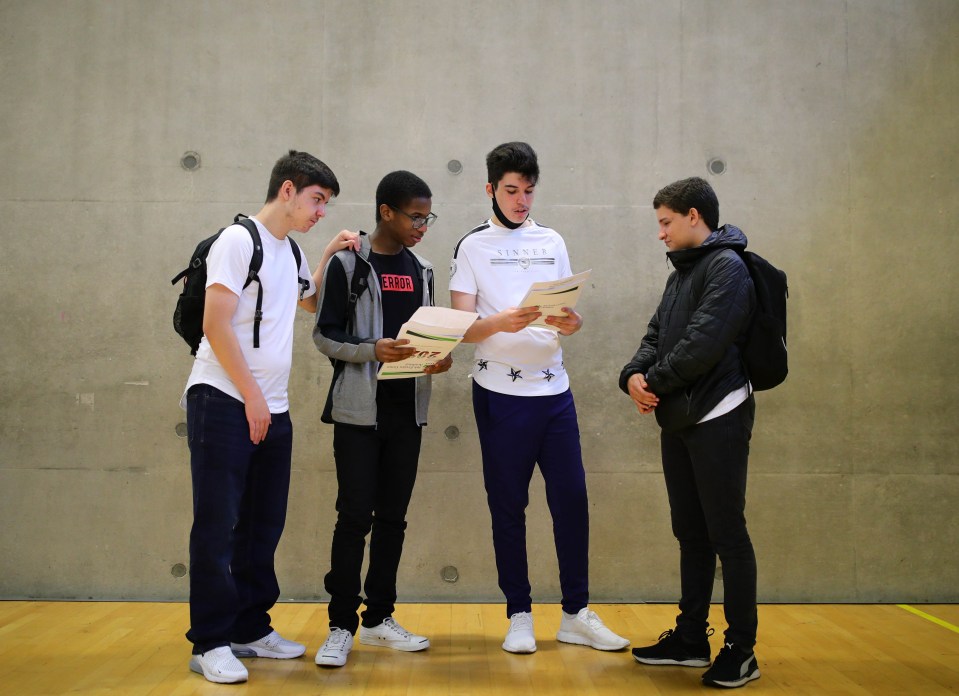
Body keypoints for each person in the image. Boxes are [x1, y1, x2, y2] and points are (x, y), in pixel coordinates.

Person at [181, 150, 356, 684]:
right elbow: (215, 323)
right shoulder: (239, 241)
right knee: (217, 525)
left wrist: (324, 253)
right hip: (223, 400)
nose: (320, 210)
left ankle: (249, 628)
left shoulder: (290, 250)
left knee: (262, 524)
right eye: (316, 200)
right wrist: (252, 396)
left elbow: (307, 302)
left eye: (325, 204)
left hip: (271, 408)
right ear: (287, 190)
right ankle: (209, 641)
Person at [449, 141, 629, 655]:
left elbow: (566, 315)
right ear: (490, 189)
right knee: (508, 506)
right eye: (511, 190)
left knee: (572, 500)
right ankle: (519, 614)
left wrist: (573, 322)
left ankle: (575, 613)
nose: (521, 200)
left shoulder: (552, 240)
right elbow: (462, 329)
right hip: (500, 394)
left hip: (555, 391)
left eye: (528, 191)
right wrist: (500, 322)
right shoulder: (472, 247)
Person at [619, 177, 760, 689]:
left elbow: (702, 346)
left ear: (694, 216)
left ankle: (742, 649)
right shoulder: (682, 271)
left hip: (718, 414)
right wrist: (632, 376)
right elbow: (656, 334)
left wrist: (650, 383)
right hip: (679, 417)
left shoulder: (727, 267)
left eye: (665, 222)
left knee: (728, 535)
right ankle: (690, 639)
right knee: (692, 535)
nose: (660, 233)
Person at [312, 170, 451, 668]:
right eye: (416, 216)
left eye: (427, 217)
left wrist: (439, 357)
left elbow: (430, 331)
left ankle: (378, 620)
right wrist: (373, 350)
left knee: (393, 519)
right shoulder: (348, 265)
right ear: (386, 212)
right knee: (354, 519)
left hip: (407, 414)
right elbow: (323, 336)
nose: (423, 226)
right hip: (357, 414)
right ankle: (340, 625)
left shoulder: (423, 269)